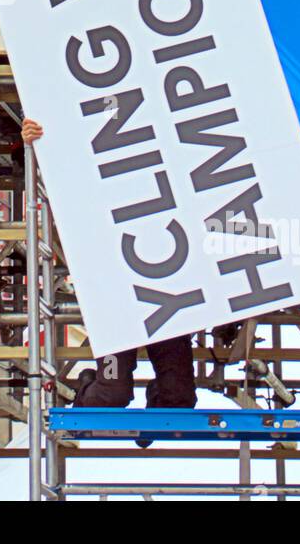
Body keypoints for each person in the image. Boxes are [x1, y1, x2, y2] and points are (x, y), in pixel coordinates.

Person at [21, 117, 197, 409]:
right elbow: (54, 171)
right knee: (112, 395)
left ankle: (149, 427)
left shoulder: (160, 154)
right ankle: (87, 387)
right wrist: (33, 144)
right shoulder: (86, 165)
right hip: (116, 295)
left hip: (166, 289)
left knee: (178, 397)